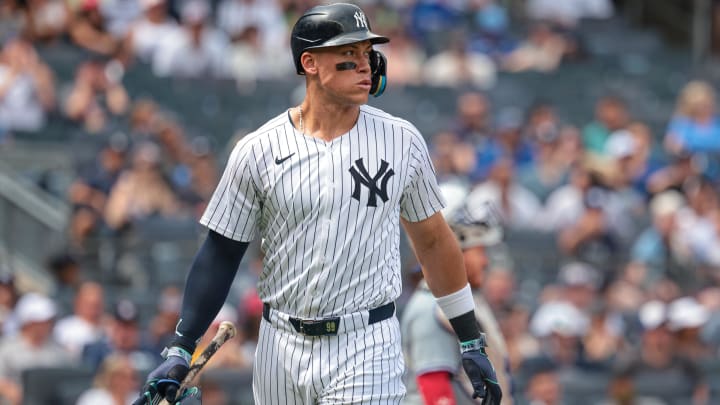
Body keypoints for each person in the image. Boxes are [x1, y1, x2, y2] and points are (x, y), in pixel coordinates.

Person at [133, 3, 502, 405]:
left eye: (367, 54)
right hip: (279, 346)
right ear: (309, 62)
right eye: (349, 56)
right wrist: (182, 346)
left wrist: (470, 338)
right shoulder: (258, 149)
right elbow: (221, 252)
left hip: (366, 342)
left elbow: (432, 242)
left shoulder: (402, 141)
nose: (365, 66)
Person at [402, 202, 513, 404]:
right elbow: (435, 388)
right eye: (479, 251)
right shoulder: (432, 306)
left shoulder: (461, 300)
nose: (485, 261)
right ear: (455, 250)